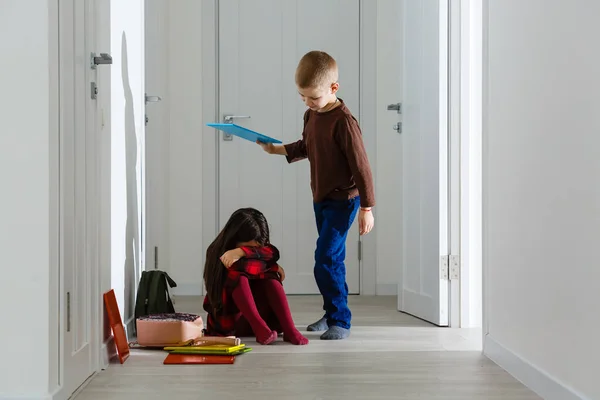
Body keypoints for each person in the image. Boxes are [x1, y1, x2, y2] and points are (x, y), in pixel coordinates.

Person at [256, 50, 375, 340]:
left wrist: (367, 207)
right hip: (321, 198)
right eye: (303, 97)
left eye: (314, 97)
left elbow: (361, 167)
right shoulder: (311, 115)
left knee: (326, 258)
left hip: (344, 200)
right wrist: (276, 149)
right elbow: (306, 146)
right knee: (329, 259)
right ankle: (331, 311)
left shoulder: (344, 122)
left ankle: (341, 320)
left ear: (334, 88)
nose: (308, 103)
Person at [202, 207, 309, 345]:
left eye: (255, 250)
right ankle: (260, 329)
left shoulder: (258, 252)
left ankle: (290, 329)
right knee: (237, 273)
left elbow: (272, 252)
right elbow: (245, 267)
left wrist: (242, 252)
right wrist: (270, 265)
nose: (250, 252)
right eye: (247, 247)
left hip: (266, 322)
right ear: (234, 238)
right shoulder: (217, 253)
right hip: (232, 323)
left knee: (269, 277)